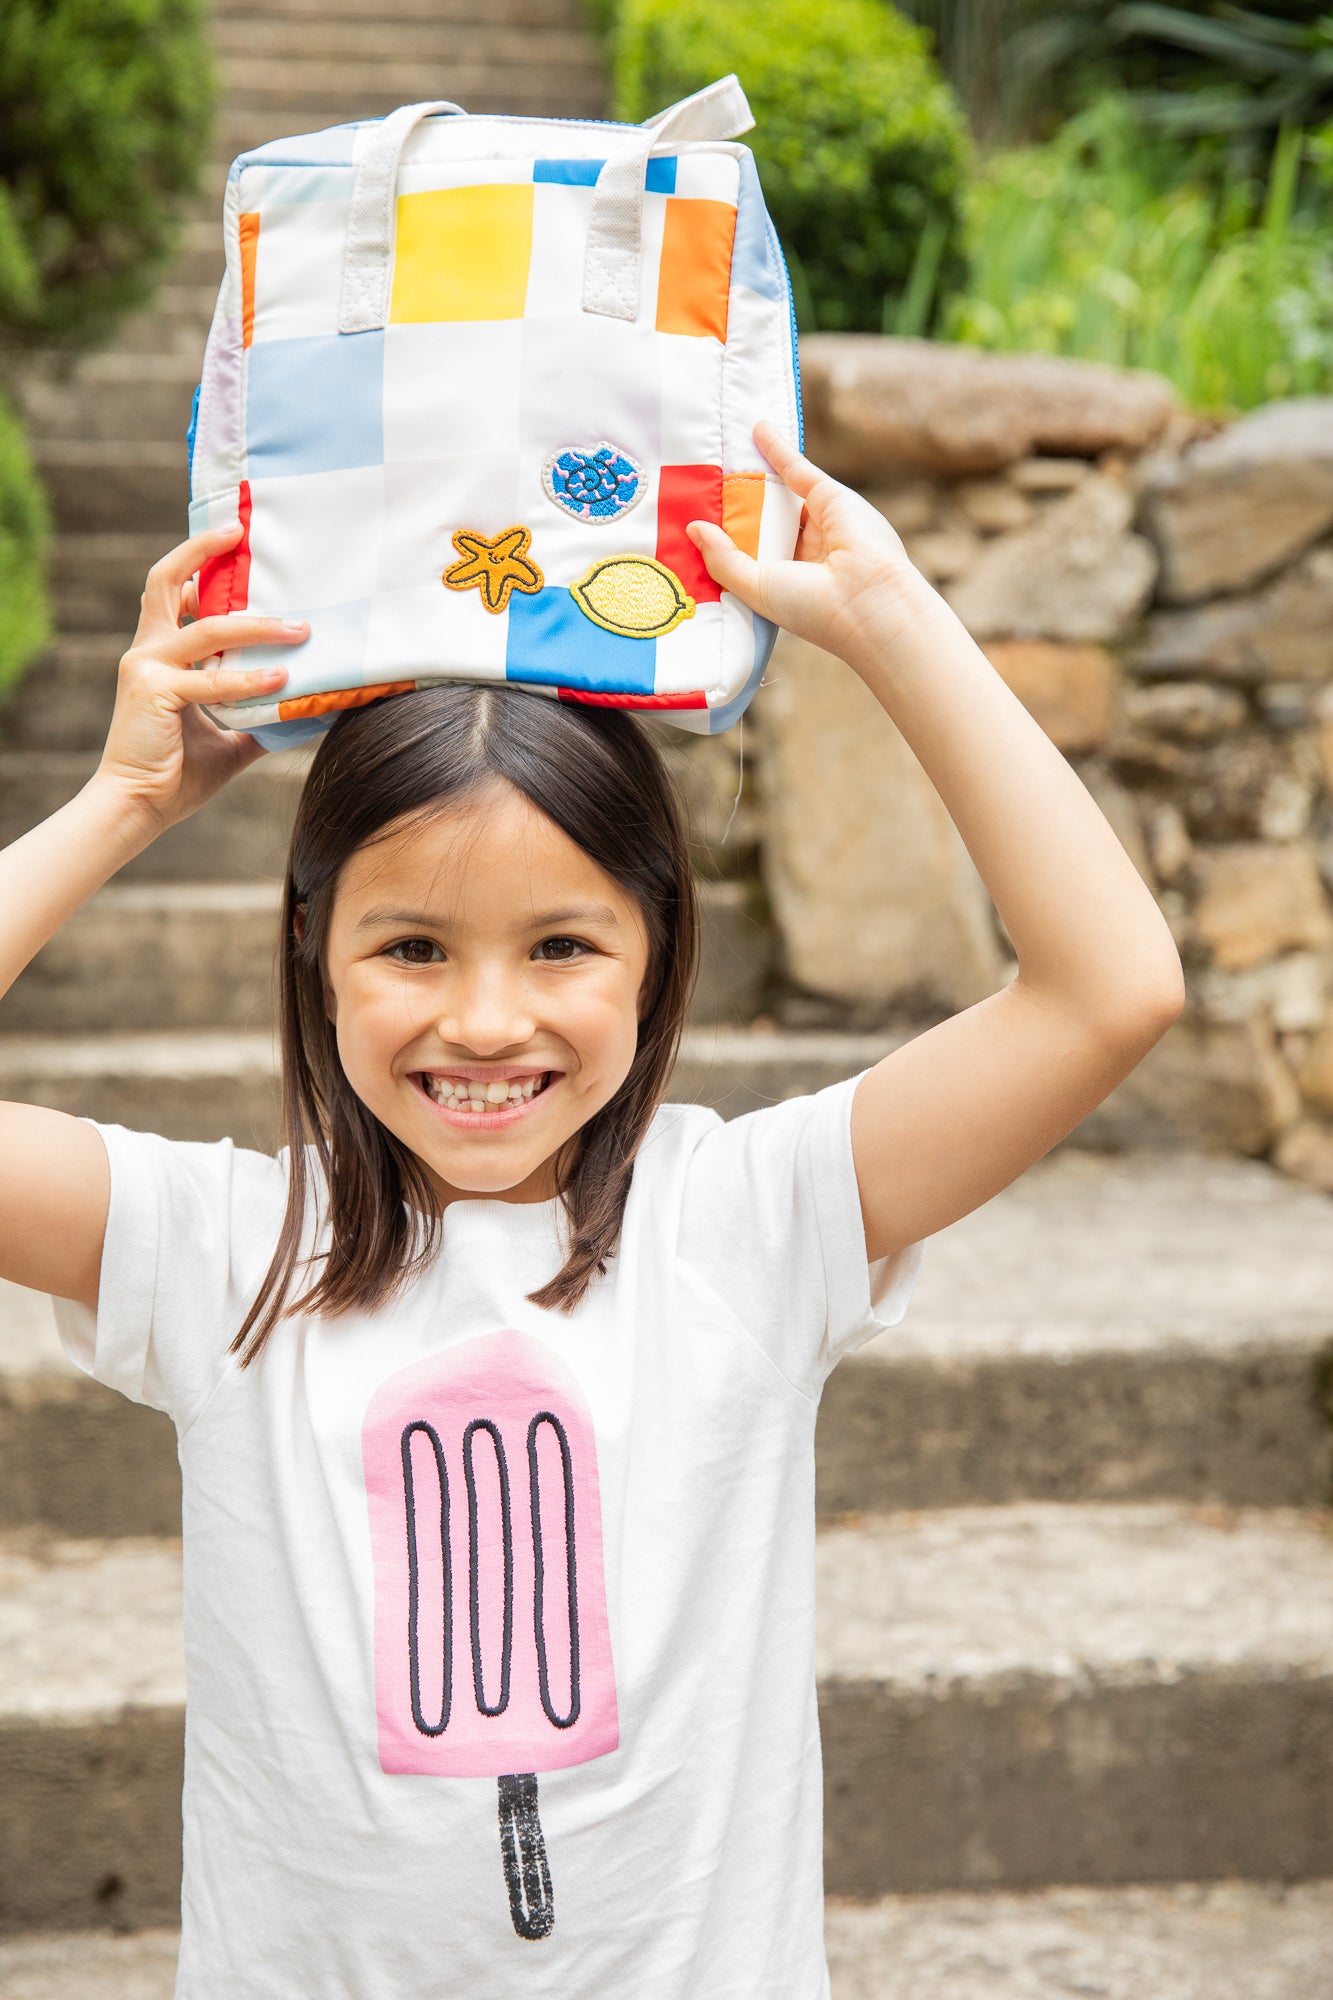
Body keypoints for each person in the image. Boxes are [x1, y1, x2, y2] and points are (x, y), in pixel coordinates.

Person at [0, 419, 1183, 1998]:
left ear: (658, 952)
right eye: (411, 948)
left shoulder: (749, 1222)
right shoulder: (223, 1255)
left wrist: (893, 626)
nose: (486, 1023)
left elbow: (1110, 991)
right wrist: (126, 805)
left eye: (562, 947)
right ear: (311, 958)